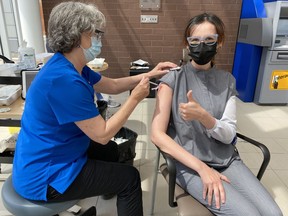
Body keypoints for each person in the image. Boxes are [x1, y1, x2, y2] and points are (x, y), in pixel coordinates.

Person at [12, 2, 177, 216]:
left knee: (111, 152)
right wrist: (135, 98)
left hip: (58, 149)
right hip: (45, 176)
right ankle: (116, 187)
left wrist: (151, 74)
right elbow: (102, 134)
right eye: (95, 34)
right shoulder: (64, 80)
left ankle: (106, 187)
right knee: (130, 178)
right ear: (77, 35)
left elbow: (114, 85)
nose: (99, 40)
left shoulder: (71, 66)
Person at [151, 13, 283, 216]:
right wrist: (203, 169)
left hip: (226, 160)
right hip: (190, 165)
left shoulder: (227, 81)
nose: (201, 45)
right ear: (187, 43)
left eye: (208, 40)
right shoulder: (172, 80)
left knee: (274, 213)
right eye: (194, 40)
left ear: (219, 43)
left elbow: (229, 135)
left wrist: (205, 117)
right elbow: (157, 135)